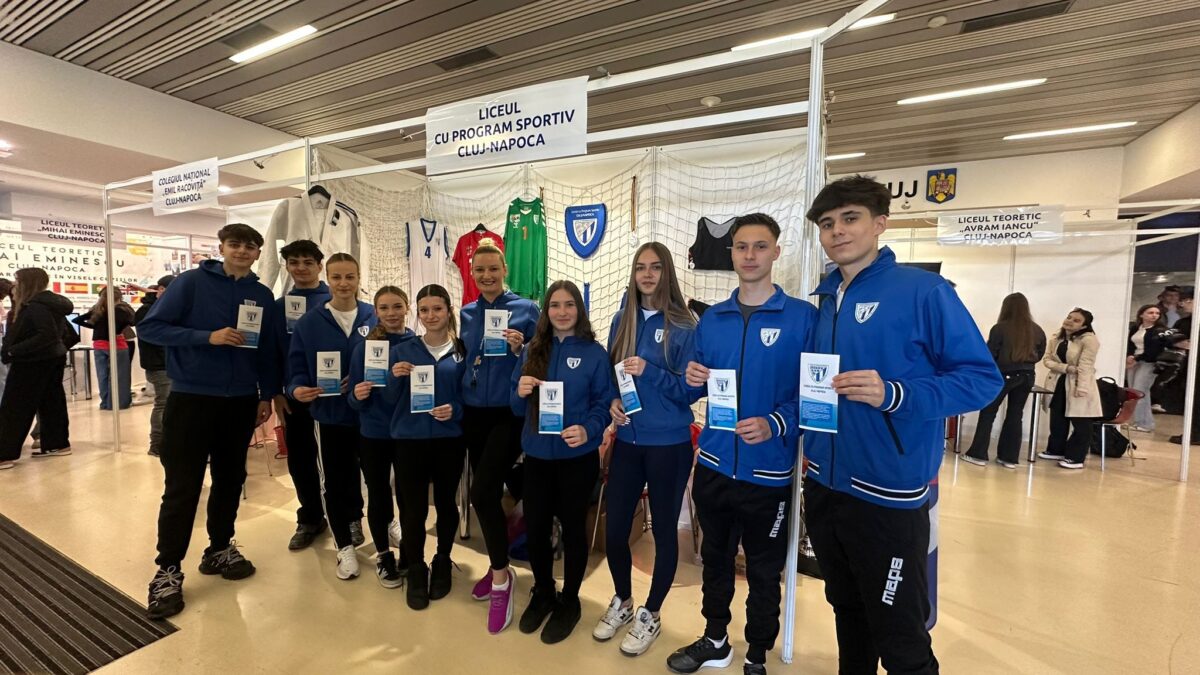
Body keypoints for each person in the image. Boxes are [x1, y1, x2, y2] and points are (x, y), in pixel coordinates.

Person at [803, 176, 1002, 675]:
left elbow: (982, 380)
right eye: (827, 223)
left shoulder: (924, 291)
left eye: (850, 218)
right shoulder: (825, 299)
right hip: (824, 484)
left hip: (887, 493)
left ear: (880, 224)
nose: (837, 231)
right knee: (847, 609)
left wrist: (896, 393)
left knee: (900, 633)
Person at [669, 214, 814, 675]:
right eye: (741, 247)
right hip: (714, 466)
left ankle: (756, 654)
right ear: (731, 253)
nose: (750, 255)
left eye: (760, 246)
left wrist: (776, 423)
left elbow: (817, 396)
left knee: (764, 571)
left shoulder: (802, 318)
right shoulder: (712, 319)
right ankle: (716, 640)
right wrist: (691, 379)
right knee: (714, 561)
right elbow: (691, 389)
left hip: (769, 474)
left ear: (776, 252)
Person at [138, 223, 278, 620]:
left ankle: (218, 548)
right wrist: (206, 337)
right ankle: (167, 569)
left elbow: (267, 350)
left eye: (250, 247)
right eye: (235, 244)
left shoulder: (261, 295)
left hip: (240, 402)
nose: (242, 251)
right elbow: (151, 328)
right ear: (222, 247)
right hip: (192, 399)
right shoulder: (191, 283)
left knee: (230, 480)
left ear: (257, 253)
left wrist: (266, 394)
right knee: (182, 486)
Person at [593, 242, 697, 657]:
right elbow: (612, 376)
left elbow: (692, 391)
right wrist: (614, 402)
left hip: (669, 445)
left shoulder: (685, 325)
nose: (648, 275)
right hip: (628, 443)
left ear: (666, 272)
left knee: (665, 533)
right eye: (641, 267)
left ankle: (651, 613)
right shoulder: (623, 319)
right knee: (616, 529)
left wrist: (651, 372)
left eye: (655, 267)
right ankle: (622, 599)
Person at [511, 280, 614, 644]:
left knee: (573, 529)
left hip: (576, 458)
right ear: (546, 311)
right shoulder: (532, 350)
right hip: (538, 456)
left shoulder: (595, 354)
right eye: (555, 305)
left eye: (569, 304)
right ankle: (543, 591)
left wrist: (588, 430)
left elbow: (604, 404)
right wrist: (520, 391)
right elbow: (515, 405)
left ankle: (570, 600)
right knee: (536, 527)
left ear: (579, 310)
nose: (562, 311)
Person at [458, 241, 539, 633]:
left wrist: (521, 348)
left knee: (481, 491)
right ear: (472, 273)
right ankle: (498, 565)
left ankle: (502, 579)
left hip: (509, 413)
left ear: (505, 269)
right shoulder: (466, 313)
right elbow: (462, 359)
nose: (487, 275)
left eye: (493, 268)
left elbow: (542, 358)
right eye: (480, 270)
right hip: (473, 412)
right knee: (489, 494)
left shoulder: (527, 309)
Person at [288, 252, 375, 580]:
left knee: (375, 478)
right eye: (337, 277)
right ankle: (344, 546)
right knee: (335, 480)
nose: (343, 283)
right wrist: (297, 389)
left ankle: (364, 523)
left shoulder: (373, 316)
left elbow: (388, 358)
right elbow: (296, 367)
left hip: (369, 416)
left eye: (350, 277)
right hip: (330, 414)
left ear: (358, 278)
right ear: (328, 278)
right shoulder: (310, 322)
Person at [386, 284, 467, 610]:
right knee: (414, 509)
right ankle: (417, 567)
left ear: (448, 311)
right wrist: (394, 377)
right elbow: (388, 400)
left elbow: (469, 396)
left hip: (449, 440)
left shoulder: (462, 351)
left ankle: (443, 559)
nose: (431, 316)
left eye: (437, 309)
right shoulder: (403, 350)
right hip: (410, 441)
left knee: (446, 503)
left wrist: (455, 410)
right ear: (417, 314)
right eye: (424, 310)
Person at [269, 240, 336, 551]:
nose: (301, 268)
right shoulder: (279, 307)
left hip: (335, 395)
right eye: (294, 262)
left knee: (340, 457)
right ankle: (310, 517)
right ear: (287, 267)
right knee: (300, 458)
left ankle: (346, 515)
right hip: (295, 396)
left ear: (319, 266)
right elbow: (270, 352)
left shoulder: (337, 300)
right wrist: (275, 392)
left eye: (308, 262)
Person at [348, 286, 415, 588]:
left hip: (407, 434)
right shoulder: (364, 348)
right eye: (384, 308)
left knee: (408, 495)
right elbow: (352, 400)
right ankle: (384, 555)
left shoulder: (417, 344)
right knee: (378, 494)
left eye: (397, 306)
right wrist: (358, 395)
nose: (391, 313)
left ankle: (410, 554)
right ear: (375, 312)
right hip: (374, 432)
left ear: (407, 308)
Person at [963, 292, 1048, 468]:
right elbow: (1039, 354)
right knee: (1016, 414)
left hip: (1002, 375)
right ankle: (1009, 458)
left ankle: (978, 454)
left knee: (988, 413)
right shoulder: (1037, 330)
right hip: (1027, 376)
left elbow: (990, 354)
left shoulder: (999, 329)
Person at [0, 268, 74, 469]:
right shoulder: (48, 305)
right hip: (49, 359)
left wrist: (14, 351)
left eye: (17, 282)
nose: (13, 286)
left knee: (15, 406)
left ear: (27, 283)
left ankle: (4, 453)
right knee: (51, 402)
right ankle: (57, 444)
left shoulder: (36, 307)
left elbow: (46, 335)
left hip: (32, 362)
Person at [1038, 308, 1102, 469]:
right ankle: (1056, 450)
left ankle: (1076, 457)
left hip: (1079, 382)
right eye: (1069, 317)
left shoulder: (1089, 340)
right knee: (1057, 418)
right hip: (1058, 381)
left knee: (1081, 422)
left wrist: (1082, 388)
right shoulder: (1056, 337)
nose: (1070, 321)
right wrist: (1066, 368)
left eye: (1076, 320)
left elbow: (1085, 366)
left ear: (1084, 326)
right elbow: (1047, 360)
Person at [135, 275, 176, 457]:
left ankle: (165, 442)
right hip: (159, 364)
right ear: (160, 290)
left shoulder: (159, 308)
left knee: (168, 404)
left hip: (165, 363)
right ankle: (157, 444)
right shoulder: (148, 310)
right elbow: (155, 338)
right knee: (163, 403)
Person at [75, 288, 136, 410]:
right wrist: (119, 329)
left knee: (102, 375)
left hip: (99, 345)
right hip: (117, 344)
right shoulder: (121, 310)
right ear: (119, 297)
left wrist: (95, 327)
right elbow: (133, 322)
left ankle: (105, 403)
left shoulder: (97, 310)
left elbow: (76, 320)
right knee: (120, 375)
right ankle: (118, 403)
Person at [1126, 304, 1166, 433]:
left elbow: (1154, 350)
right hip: (1134, 360)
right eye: (1150, 313)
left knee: (1140, 391)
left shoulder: (1159, 330)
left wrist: (1136, 358)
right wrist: (1129, 356)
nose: (1154, 315)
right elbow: (1130, 343)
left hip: (1148, 362)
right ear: (1141, 314)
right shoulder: (1136, 328)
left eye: (1157, 313)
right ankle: (1139, 421)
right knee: (1133, 391)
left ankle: (1145, 423)